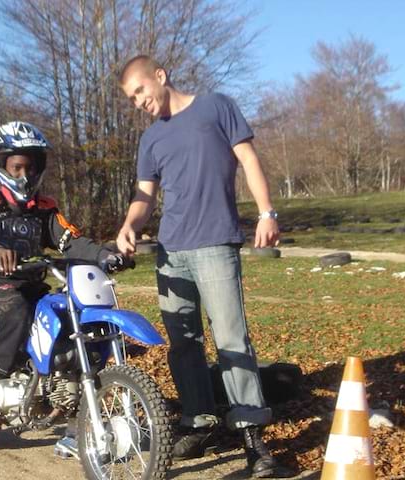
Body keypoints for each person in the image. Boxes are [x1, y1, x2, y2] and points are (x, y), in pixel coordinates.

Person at [117, 56, 290, 478]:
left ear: (160, 76)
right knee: (184, 344)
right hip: (171, 252)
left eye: (140, 90)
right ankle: (200, 421)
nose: (138, 101)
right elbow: (145, 196)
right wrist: (128, 226)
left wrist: (267, 213)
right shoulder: (151, 140)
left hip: (215, 244)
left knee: (232, 337)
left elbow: (248, 159)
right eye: (131, 98)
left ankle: (252, 436)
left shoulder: (216, 106)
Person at [0, 120, 124, 409]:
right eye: (16, 167)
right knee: (16, 308)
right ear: (1, 165)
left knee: (70, 319)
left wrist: (103, 255)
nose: (24, 175)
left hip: (32, 283)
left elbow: (70, 240)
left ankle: (74, 413)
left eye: (30, 168)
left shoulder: (45, 210)